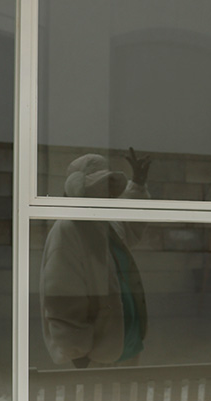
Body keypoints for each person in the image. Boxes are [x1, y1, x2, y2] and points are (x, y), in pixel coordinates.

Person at [40, 148, 151, 369]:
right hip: (99, 354)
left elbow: (131, 224)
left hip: (126, 345)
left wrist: (137, 186)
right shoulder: (68, 230)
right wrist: (78, 353)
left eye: (106, 187)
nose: (104, 194)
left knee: (127, 392)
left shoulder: (105, 222)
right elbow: (63, 298)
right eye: (97, 187)